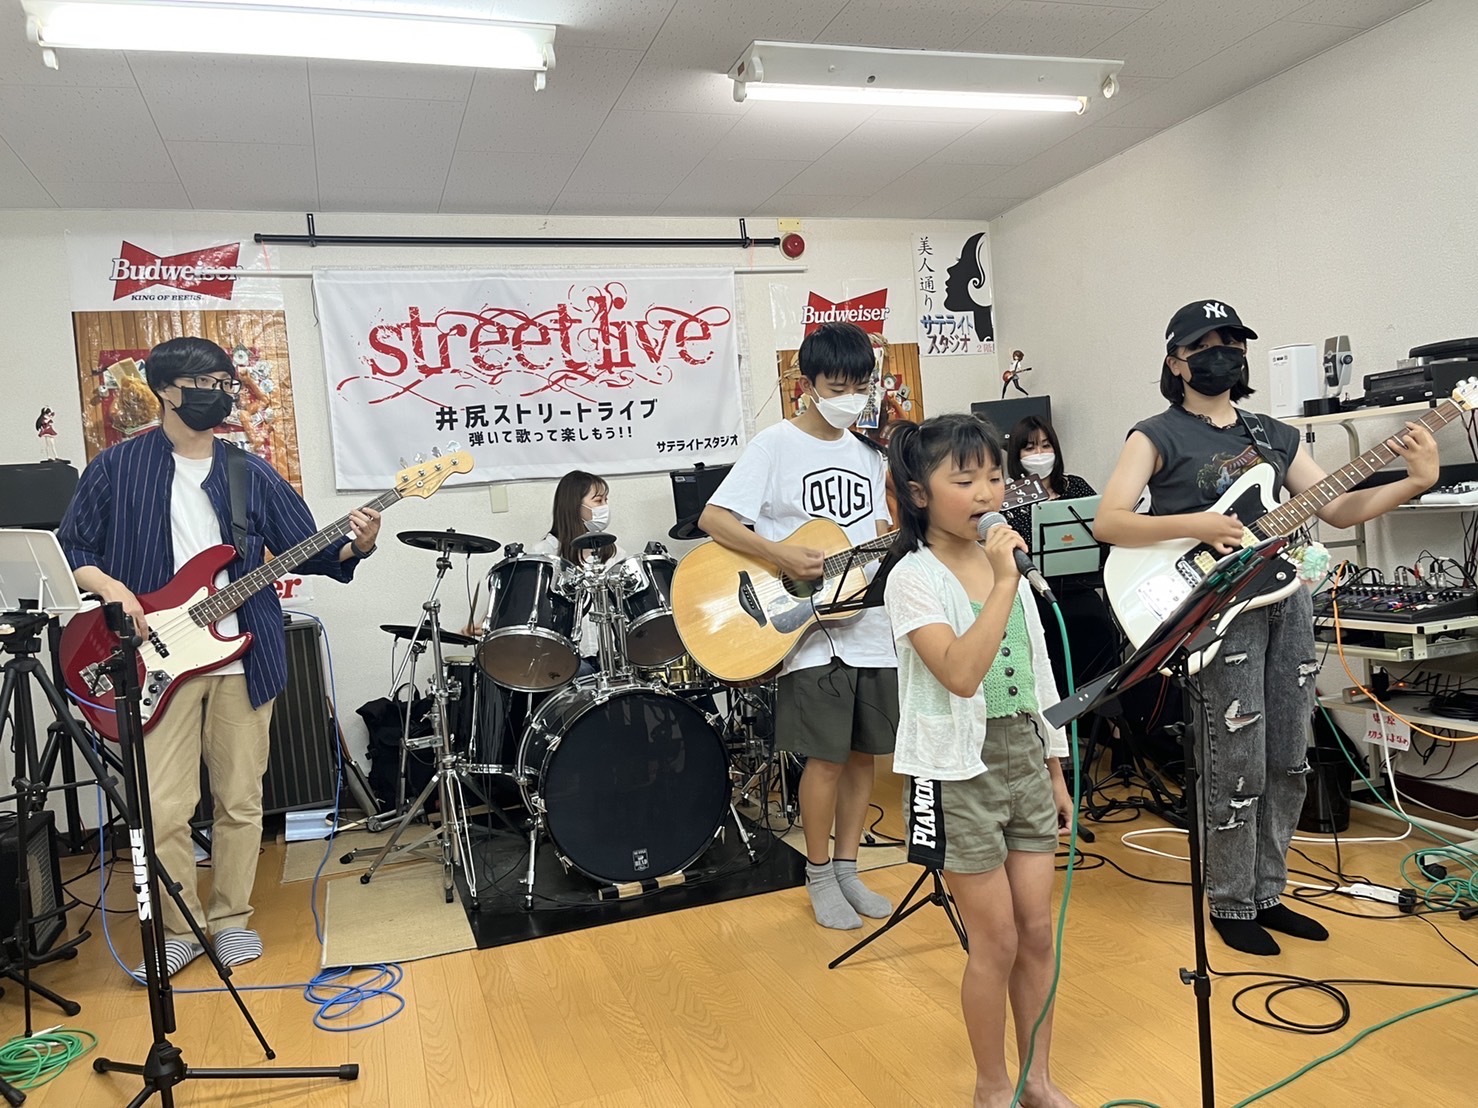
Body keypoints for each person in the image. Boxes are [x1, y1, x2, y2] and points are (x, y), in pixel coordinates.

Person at [1094, 300, 1439, 956]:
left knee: (1287, 756)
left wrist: (1416, 480)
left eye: (1232, 343)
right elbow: (1109, 522)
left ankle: (1268, 891)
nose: (1222, 355)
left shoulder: (1274, 434)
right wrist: (1196, 524)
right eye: (1204, 346)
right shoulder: (1155, 434)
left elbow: (1338, 509)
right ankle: (1230, 898)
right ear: (1176, 362)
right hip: (1218, 608)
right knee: (1235, 760)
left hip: (1286, 600)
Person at [59, 337, 381, 979]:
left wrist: (359, 545)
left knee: (240, 800)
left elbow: (312, 549)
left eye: (226, 383)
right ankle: (178, 929)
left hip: (243, 657)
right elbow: (74, 547)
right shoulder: (117, 467)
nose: (220, 393)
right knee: (164, 807)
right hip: (157, 663)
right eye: (205, 382)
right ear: (165, 390)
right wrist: (114, 590)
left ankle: (232, 919)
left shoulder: (248, 471)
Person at [884, 413, 1075, 1108]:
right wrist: (1000, 584)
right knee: (994, 941)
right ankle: (992, 1085)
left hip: (1025, 753)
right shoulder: (912, 578)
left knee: (1037, 932)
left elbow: (1039, 673)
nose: (987, 493)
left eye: (995, 477)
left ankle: (1037, 1080)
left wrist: (1054, 768)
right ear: (920, 493)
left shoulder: (1009, 569)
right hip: (957, 769)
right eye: (965, 480)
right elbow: (961, 675)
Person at [700, 321, 899, 931]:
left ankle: (849, 869)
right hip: (806, 628)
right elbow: (715, 518)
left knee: (863, 757)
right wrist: (779, 554)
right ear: (806, 384)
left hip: (869, 622)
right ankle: (817, 873)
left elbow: (877, 535)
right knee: (825, 758)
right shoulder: (774, 446)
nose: (851, 398)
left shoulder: (873, 455)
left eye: (860, 386)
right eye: (837, 387)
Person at [1003, 416, 1118, 699]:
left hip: (1082, 587)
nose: (1040, 454)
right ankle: (1059, 710)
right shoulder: (1008, 498)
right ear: (1017, 455)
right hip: (1037, 595)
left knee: (1101, 627)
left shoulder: (1075, 486)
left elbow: (1101, 529)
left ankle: (1106, 711)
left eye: (1046, 445)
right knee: (1045, 638)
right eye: (1030, 447)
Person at [530, 469, 629, 674]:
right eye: (598, 500)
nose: (605, 507)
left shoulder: (615, 553)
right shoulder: (544, 554)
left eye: (606, 500)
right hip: (568, 661)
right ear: (575, 505)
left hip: (612, 658)